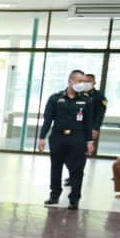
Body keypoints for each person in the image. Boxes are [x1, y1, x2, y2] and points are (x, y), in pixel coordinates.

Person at [39, 69, 95, 210]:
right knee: (56, 167)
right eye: (79, 81)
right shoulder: (55, 98)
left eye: (84, 81)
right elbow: (48, 119)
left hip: (77, 138)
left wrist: (89, 141)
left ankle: (74, 199)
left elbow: (88, 123)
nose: (82, 84)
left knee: (77, 170)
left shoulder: (86, 100)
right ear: (70, 81)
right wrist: (42, 137)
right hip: (58, 137)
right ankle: (54, 195)